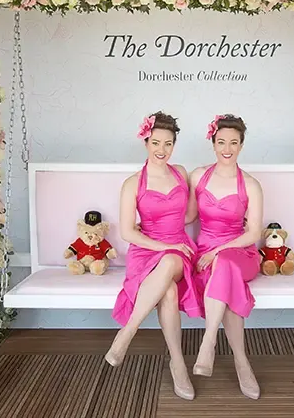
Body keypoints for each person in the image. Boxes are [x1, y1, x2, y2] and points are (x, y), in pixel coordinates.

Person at [107, 111, 201, 401]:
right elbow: (126, 232)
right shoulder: (133, 183)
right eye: (156, 143)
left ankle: (127, 333)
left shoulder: (181, 173)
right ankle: (178, 363)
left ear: (174, 145)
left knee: (173, 260)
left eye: (168, 144)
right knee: (169, 292)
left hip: (179, 247)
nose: (162, 150)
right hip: (146, 250)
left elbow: (189, 215)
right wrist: (159, 244)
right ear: (146, 142)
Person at [187, 114, 263, 400]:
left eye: (233, 142)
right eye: (221, 142)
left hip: (240, 252)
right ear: (213, 143)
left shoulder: (251, 185)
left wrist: (220, 251)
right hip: (205, 253)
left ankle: (208, 342)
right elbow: (190, 216)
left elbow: (253, 232)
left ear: (242, 145)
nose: (227, 148)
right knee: (224, 277)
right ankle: (242, 363)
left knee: (226, 264)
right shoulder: (198, 176)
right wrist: (155, 224)